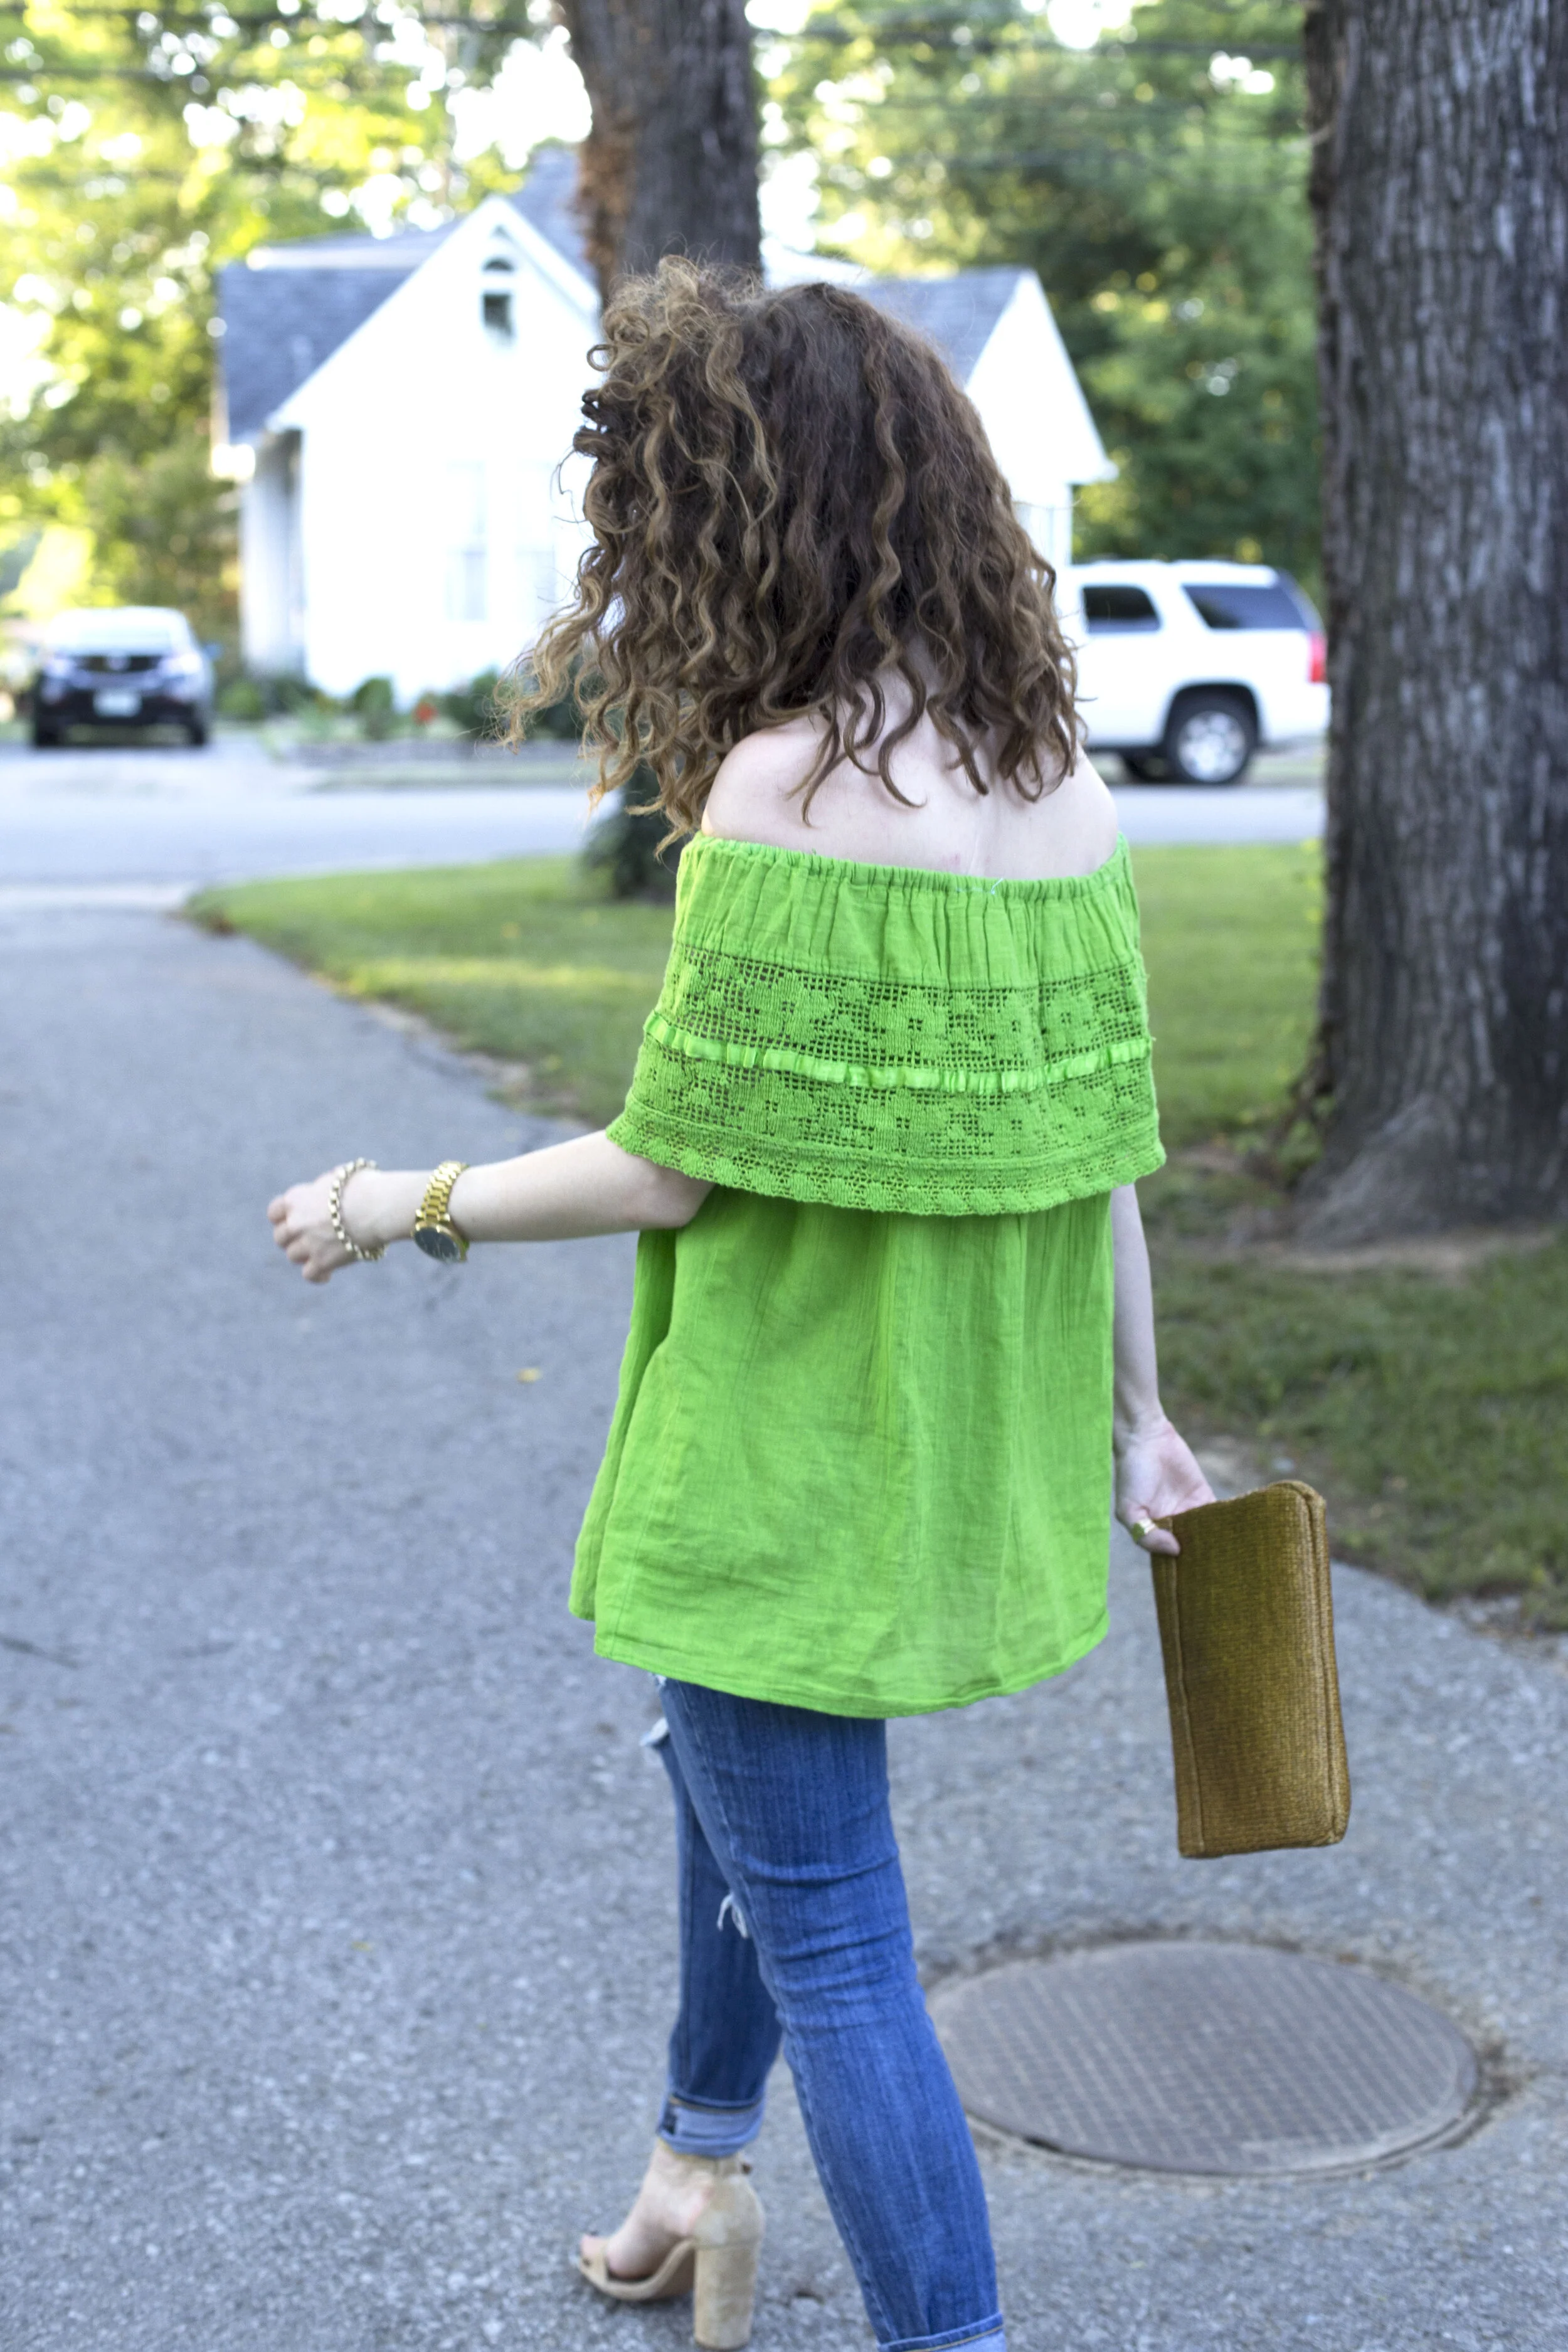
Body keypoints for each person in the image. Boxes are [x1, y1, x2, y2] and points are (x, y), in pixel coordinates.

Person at [268, 261, 1212, 2352]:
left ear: (736, 510)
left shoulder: (786, 780)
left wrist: (390, 1198)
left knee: (843, 1942)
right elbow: (1106, 1146)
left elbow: (662, 1160)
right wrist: (1141, 1413)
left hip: (789, 1456)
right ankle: (695, 2172)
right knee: (727, 1774)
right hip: (947, 1443)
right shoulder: (1059, 787)